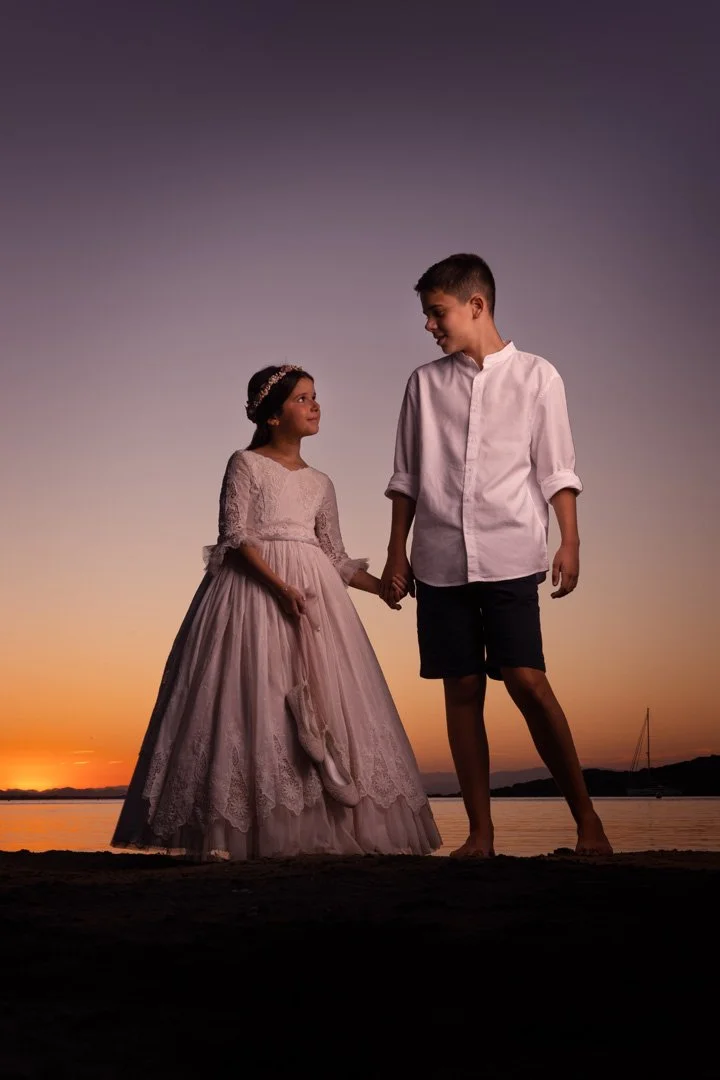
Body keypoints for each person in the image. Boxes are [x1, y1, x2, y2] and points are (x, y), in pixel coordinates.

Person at [112, 364, 441, 859]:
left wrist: (383, 590)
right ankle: (250, 824)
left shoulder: (322, 483)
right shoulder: (245, 464)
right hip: (252, 596)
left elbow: (334, 557)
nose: (315, 406)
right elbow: (235, 535)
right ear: (271, 415)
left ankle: (325, 816)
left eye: (315, 396)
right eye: (302, 398)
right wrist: (280, 586)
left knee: (325, 702)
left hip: (315, 602)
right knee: (253, 698)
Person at [380, 253, 612, 858]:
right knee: (459, 689)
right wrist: (396, 552)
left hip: (511, 553)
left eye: (437, 312)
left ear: (475, 305)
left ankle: (588, 821)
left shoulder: (540, 378)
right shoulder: (422, 385)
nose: (429, 325)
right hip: (437, 561)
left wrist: (571, 540)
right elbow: (406, 478)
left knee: (526, 680)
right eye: (427, 315)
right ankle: (480, 834)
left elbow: (557, 469)